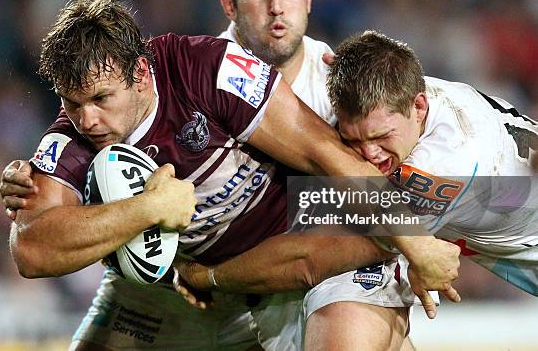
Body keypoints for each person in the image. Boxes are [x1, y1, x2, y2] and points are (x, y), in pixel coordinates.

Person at [0, 0, 459, 351]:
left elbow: (332, 156)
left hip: (278, 275)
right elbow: (32, 251)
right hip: (171, 291)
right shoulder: (75, 129)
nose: (88, 119)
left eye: (101, 99)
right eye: (72, 103)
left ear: (141, 73)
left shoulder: (213, 70)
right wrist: (146, 210)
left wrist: (414, 242)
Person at [178, 30, 537, 304]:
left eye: (381, 137)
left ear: (419, 106)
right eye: (354, 138)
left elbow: (309, 261)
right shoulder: (396, 87)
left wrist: (207, 277)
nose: (369, 154)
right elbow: (368, 53)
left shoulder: (442, 168)